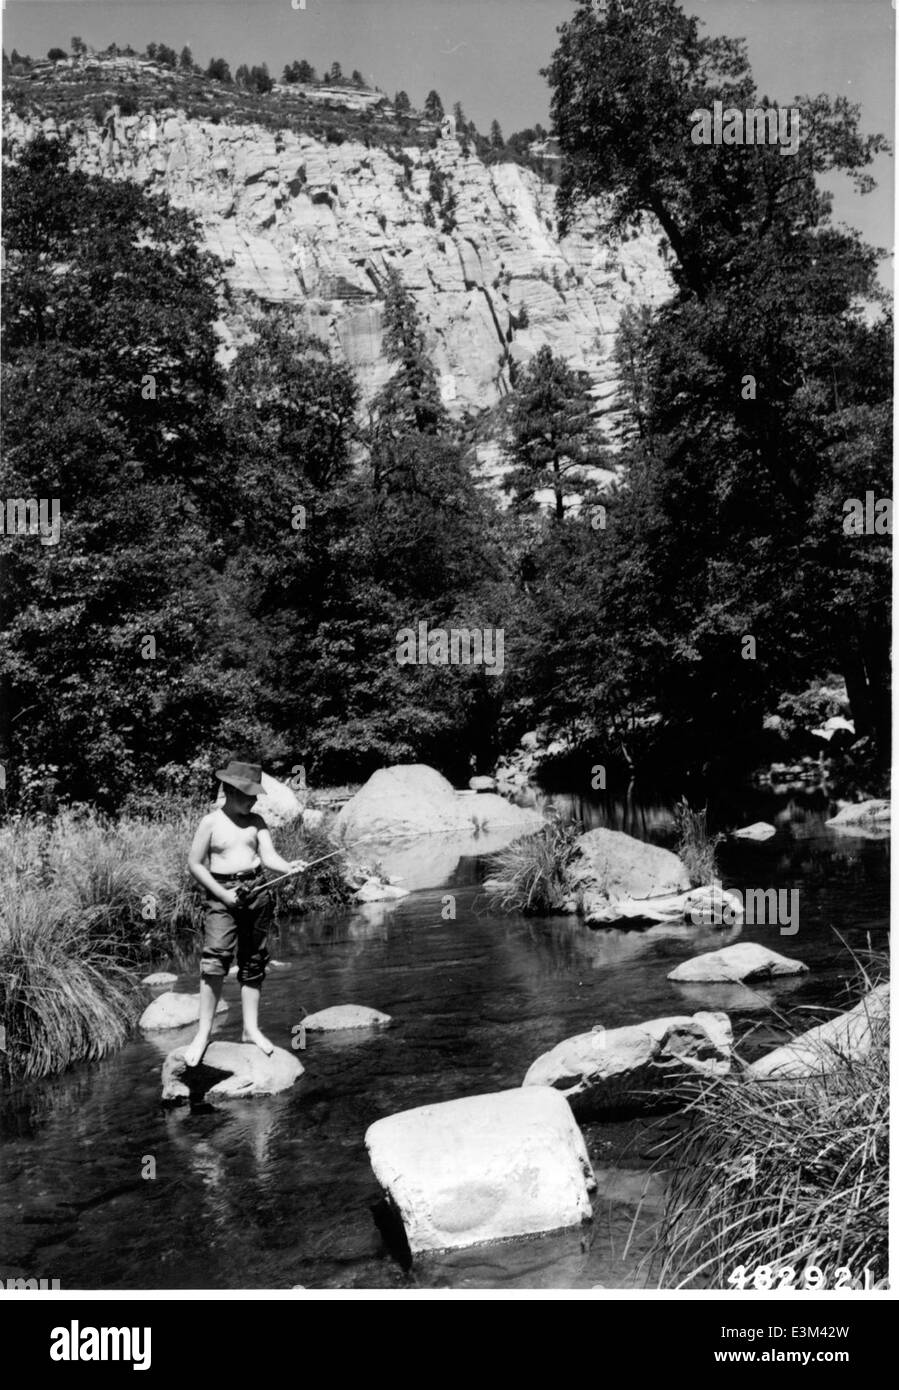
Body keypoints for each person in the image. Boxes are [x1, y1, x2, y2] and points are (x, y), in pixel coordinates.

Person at [183, 760, 306, 1067]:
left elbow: (269, 857)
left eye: (254, 796)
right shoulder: (210, 822)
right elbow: (195, 864)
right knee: (215, 960)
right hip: (221, 895)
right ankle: (203, 1033)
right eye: (247, 795)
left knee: (253, 960)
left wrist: (289, 867)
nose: (252, 801)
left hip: (257, 892)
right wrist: (223, 894)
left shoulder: (257, 821)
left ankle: (250, 1029)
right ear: (228, 790)